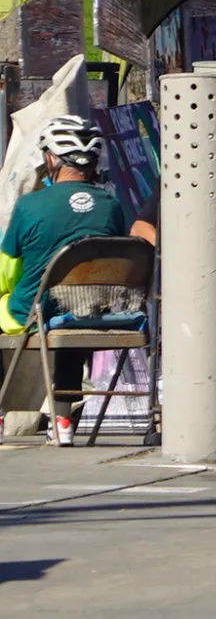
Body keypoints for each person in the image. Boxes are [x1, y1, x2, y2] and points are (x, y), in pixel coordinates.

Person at [2, 118, 154, 445]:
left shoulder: (30, 205)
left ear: (52, 159)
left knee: (28, 310)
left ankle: (5, 413)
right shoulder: (112, 207)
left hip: (34, 313)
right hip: (94, 315)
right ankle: (62, 419)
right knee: (74, 308)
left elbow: (7, 268)